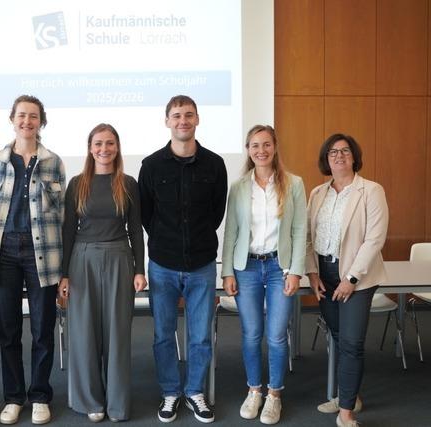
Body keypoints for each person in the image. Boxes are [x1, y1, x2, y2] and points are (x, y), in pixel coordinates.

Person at [139, 95, 228, 423]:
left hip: (202, 264)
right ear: (167, 121)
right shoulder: (151, 165)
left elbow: (216, 213)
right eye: (176, 115)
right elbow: (146, 214)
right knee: (163, 334)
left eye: (188, 115)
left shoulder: (215, 164)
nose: (183, 121)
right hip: (162, 264)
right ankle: (170, 392)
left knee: (200, 335)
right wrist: (167, 240)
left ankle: (194, 391)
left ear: (197, 119)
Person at [0, 95, 65, 425]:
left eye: (33, 116)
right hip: (4, 253)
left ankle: (40, 395)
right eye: (21, 115)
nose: (27, 121)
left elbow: (61, 215)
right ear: (12, 119)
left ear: (41, 121)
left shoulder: (53, 162)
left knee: (43, 329)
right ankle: (14, 397)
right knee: (9, 330)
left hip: (42, 253)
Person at [59, 123, 147, 423]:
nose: (104, 149)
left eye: (110, 143)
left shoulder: (128, 183)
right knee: (84, 333)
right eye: (98, 143)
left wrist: (140, 269)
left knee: (117, 334)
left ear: (117, 147)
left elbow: (136, 229)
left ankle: (117, 404)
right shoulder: (77, 184)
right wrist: (64, 274)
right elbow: (68, 231)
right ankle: (91, 401)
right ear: (90, 148)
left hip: (119, 258)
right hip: (82, 261)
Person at [221, 125, 306, 425]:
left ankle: (274, 395)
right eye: (255, 145)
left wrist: (296, 271)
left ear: (275, 146)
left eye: (266, 144)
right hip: (246, 268)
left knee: (277, 334)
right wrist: (227, 271)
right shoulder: (239, 187)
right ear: (248, 149)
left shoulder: (294, 184)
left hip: (279, 268)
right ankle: (254, 390)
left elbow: (300, 230)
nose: (261, 150)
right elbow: (231, 231)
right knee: (251, 333)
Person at [305, 134, 388, 427]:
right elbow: (308, 237)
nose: (339, 156)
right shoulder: (318, 193)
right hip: (325, 275)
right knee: (339, 339)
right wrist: (313, 273)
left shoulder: (371, 191)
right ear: (325, 159)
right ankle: (349, 396)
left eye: (345, 151)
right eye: (332, 152)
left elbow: (374, 239)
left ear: (354, 157)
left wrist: (351, 278)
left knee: (352, 342)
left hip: (357, 278)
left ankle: (346, 413)